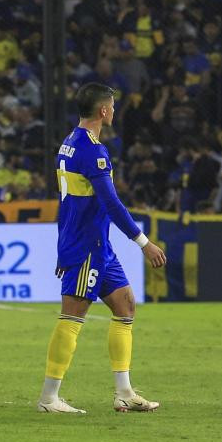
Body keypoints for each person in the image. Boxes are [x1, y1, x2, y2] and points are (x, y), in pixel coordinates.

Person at [37, 83, 167, 414]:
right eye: (113, 107)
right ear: (104, 111)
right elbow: (110, 202)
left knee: (125, 305)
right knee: (73, 315)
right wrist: (144, 242)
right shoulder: (93, 152)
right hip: (85, 246)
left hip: (98, 244)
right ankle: (49, 398)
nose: (115, 112)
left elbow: (79, 203)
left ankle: (123, 392)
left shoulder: (69, 143)